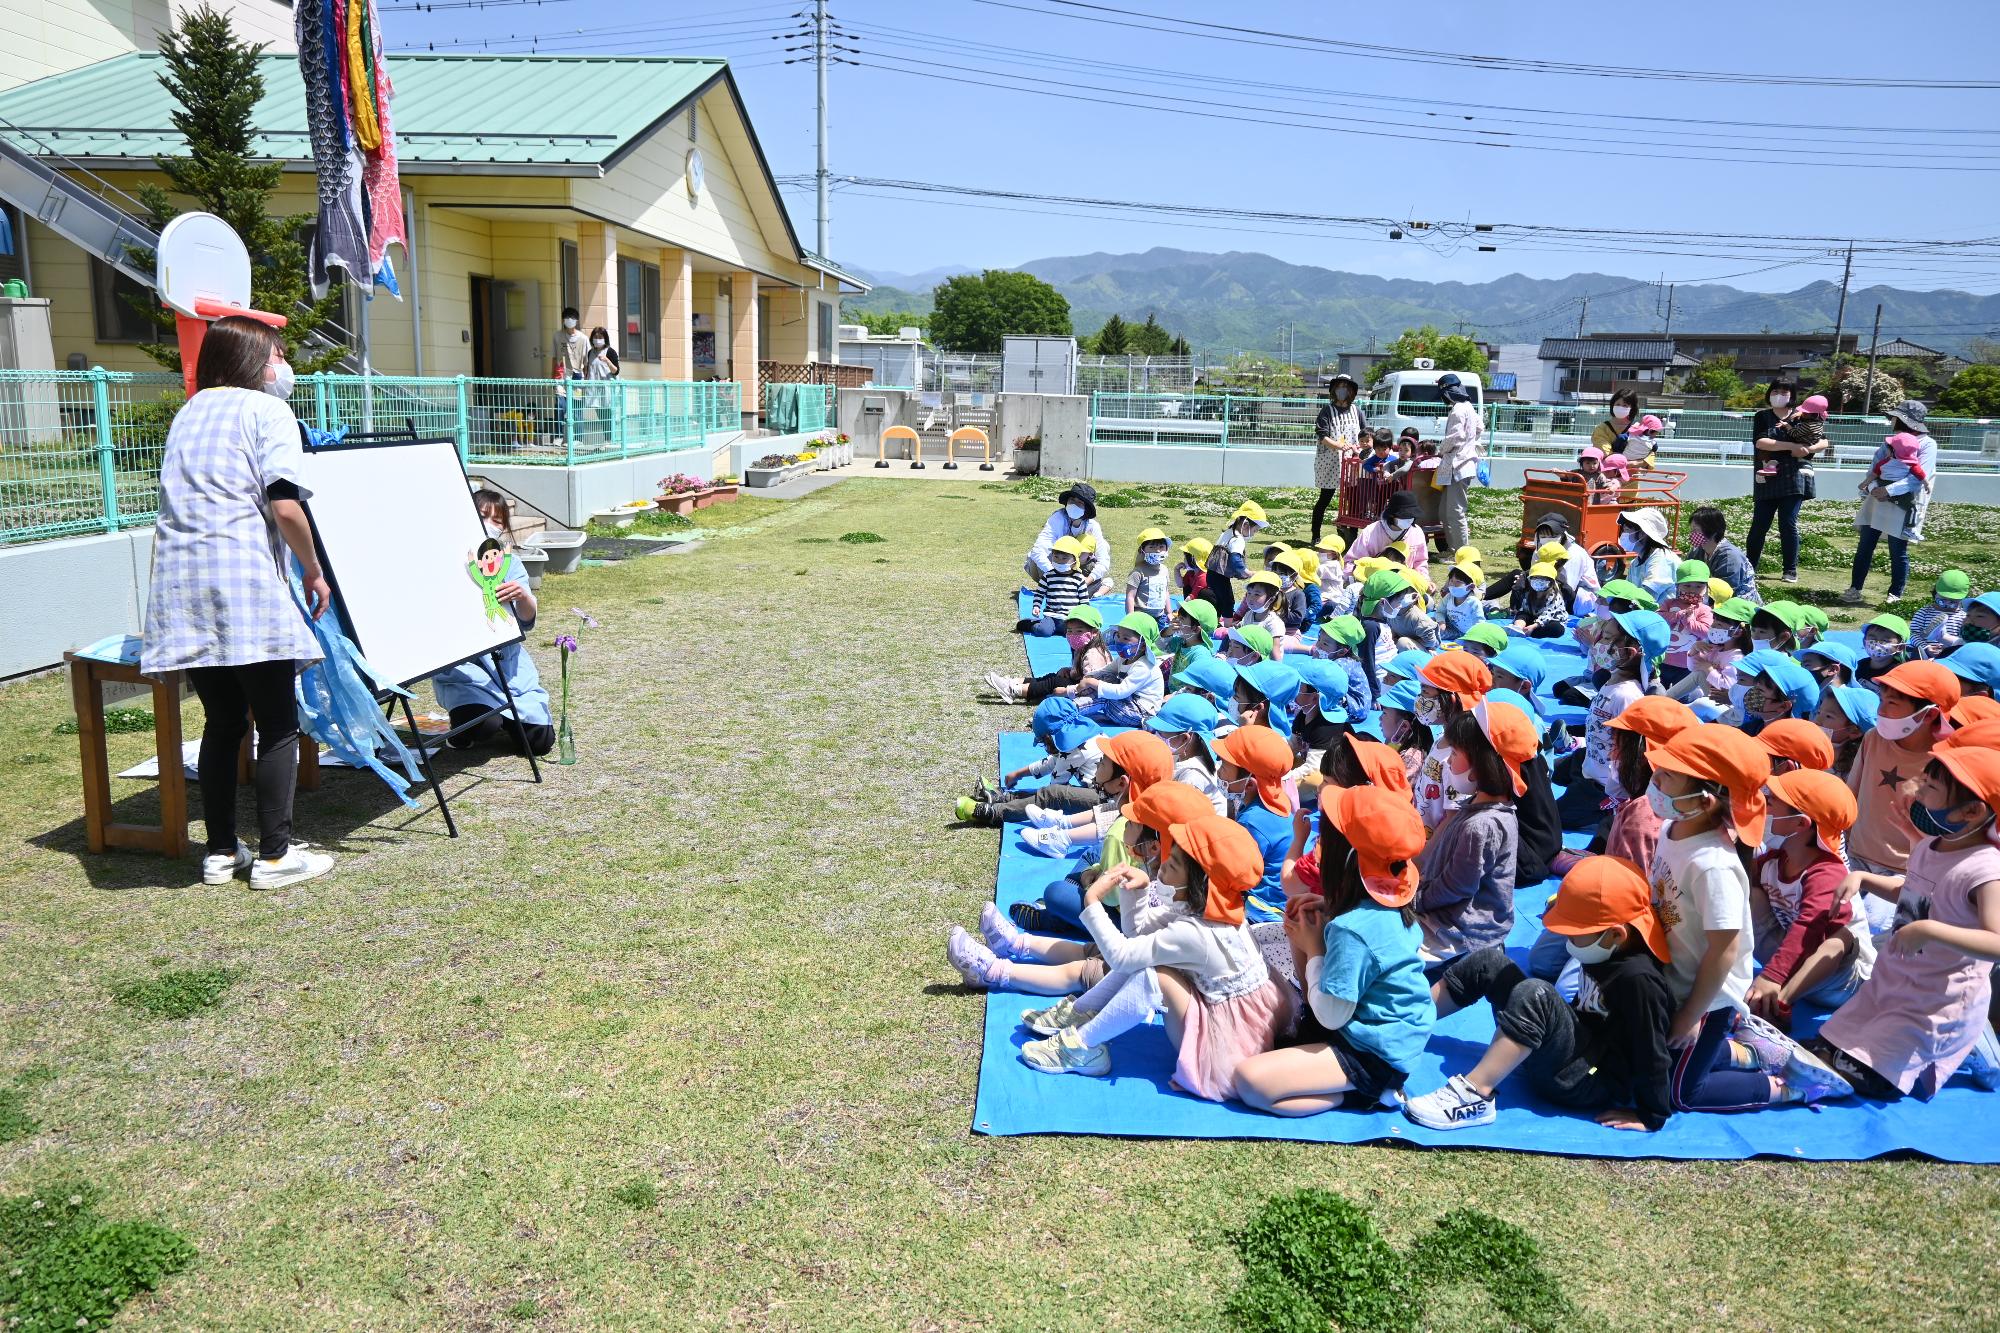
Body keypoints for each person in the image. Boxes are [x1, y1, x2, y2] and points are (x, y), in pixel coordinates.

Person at [141, 317, 335, 891]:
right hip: (244, 581)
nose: (282, 366)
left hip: (182, 586)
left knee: (224, 720)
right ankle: (276, 857)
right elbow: (285, 505)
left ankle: (222, 852)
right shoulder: (268, 412)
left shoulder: (189, 412)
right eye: (277, 353)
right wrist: (314, 569)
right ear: (255, 359)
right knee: (277, 722)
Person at [1645, 725, 1853, 1111]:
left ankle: (1790, 1086)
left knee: (1679, 1094)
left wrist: (1694, 1014)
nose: (1654, 780)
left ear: (1706, 800)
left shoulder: (1713, 865)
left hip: (1708, 997)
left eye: (1667, 775)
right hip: (1675, 984)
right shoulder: (1672, 827)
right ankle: (1749, 1052)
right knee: (1645, 1063)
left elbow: (1726, 950)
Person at [1022, 813, 1294, 1099]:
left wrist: (1091, 902)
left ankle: (1080, 1046)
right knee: (1149, 959)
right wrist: (1137, 891)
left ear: (1200, 883)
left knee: (1154, 975)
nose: (1162, 868)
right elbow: (1138, 936)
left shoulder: (1199, 932)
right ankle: (1081, 1013)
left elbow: (1123, 957)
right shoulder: (1209, 908)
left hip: (1224, 1051)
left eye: (1173, 864)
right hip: (1230, 1021)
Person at [1405, 855, 1677, 1132]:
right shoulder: (1606, 948)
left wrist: (1652, 1114)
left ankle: (1474, 1097)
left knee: (1537, 993)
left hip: (1584, 1079)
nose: (1568, 941)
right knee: (1489, 961)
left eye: (1574, 934)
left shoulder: (1638, 980)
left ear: (1615, 935)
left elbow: (1652, 1050)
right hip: (1572, 1049)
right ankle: (1403, 1024)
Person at [1814, 745, 2000, 1100]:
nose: (1917, 792)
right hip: (1897, 981)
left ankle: (1981, 1051)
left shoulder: (1986, 869)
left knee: (1873, 1077)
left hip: (1938, 997)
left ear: (1972, 811)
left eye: (1929, 788)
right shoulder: (1932, 845)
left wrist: (1929, 929)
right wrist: (1865, 880)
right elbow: (1912, 890)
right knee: (1831, 1042)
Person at [1234, 787, 1435, 1116]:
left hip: (1372, 1052)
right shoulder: (1386, 901)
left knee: (1250, 1081)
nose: (1317, 847)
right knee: (1303, 930)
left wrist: (1314, 947)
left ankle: (1361, 1095)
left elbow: (1331, 1014)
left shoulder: (1352, 929)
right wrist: (1324, 914)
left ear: (1345, 858)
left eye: (1323, 839)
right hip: (1384, 1034)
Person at [430, 491, 555, 757]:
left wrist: (522, 596)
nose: (491, 524)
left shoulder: (510, 563)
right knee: (485, 723)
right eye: (483, 516)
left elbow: (527, 617)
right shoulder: (446, 561)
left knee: (541, 743)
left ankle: (514, 719)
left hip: (510, 671)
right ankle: (466, 729)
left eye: (498, 520)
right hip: (467, 672)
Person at [1745, 769, 1871, 1030]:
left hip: (1840, 982)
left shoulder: (1827, 872)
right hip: (1792, 961)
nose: (1764, 809)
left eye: (1771, 804)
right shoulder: (1774, 862)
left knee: (1841, 938)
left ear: (1800, 824)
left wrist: (1771, 976)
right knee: (1750, 894)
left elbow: (1810, 926)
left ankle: (1779, 1004)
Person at [1845, 661, 1961, 934]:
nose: (1880, 710)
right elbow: (1850, 794)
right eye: (1881, 699)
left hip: (1904, 873)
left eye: (1892, 704)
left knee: (1872, 926)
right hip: (1855, 857)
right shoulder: (1873, 738)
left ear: (1929, 715)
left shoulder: (1948, 761)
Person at [1413, 704, 1529, 976]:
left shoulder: (1482, 826)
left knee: (1384, 952)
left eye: (1454, 753)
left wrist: (1414, 900)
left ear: (1479, 764)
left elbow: (1456, 887)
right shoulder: (1476, 807)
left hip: (1460, 929)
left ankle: (1479, 956)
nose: (1448, 761)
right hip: (1441, 909)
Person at [1842, 401, 1937, 606]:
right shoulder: (1889, 442)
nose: (1892, 420)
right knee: (1865, 546)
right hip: (1876, 501)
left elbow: (1919, 477)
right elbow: (1875, 468)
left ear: (1905, 420)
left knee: (1898, 550)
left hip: (1902, 504)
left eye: (1895, 417)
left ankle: (1895, 593)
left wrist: (1887, 490)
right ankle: (1855, 588)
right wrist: (1874, 488)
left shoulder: (1927, 444)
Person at [1215, 724, 1296, 922]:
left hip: (1266, 910)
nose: (1219, 772)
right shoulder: (1276, 799)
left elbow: (1236, 875)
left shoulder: (1252, 823)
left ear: (1250, 783)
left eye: (1224, 767)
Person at [986, 605, 1109, 705]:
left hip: (1092, 695)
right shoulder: (1082, 646)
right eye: (1070, 631)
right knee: (1052, 677)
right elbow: (1081, 672)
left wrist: (1067, 691)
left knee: (1054, 682)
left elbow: (1091, 686)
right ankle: (1013, 682)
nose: (1072, 635)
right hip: (1081, 684)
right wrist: (1069, 670)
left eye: (1079, 631)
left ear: (1094, 632)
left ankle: (1013, 690)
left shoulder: (1093, 655)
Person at [1075, 613, 1166, 727]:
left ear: (1143, 646)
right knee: (1105, 678)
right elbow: (1103, 672)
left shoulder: (1143, 667)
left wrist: (1091, 683)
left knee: (1105, 697)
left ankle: (1069, 710)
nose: (1119, 641)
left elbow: (1121, 691)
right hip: (1128, 702)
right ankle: (1074, 699)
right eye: (1118, 635)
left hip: (1141, 713)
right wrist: (1088, 678)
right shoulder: (1123, 659)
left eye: (1126, 638)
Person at [1311, 374, 1367, 544]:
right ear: (1334, 390)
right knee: (1325, 498)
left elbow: (1364, 434)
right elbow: (1322, 435)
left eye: (1346, 387)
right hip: (1331, 460)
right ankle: (1315, 535)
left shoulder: (1357, 411)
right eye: (1339, 386)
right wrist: (1337, 446)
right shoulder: (1327, 410)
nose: (1343, 390)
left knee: (1352, 500)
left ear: (1352, 391)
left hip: (1352, 462)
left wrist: (1359, 449)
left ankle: (1351, 536)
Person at [1025, 483, 1111, 588]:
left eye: (1079, 502)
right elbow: (1038, 551)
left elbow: (1103, 560)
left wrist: (1087, 581)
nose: (1074, 504)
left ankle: (1088, 587)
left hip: (1078, 572)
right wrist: (1055, 576)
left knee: (1103, 547)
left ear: (1087, 509)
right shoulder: (1057, 519)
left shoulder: (1093, 527)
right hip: (1052, 568)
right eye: (1072, 500)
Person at [1435, 372, 1483, 551]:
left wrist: (1441, 450)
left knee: (1455, 513)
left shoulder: (1457, 410)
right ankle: (1451, 549)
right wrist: (1471, 444)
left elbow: (1455, 436)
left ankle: (1462, 553)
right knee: (1445, 512)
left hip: (1458, 466)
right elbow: (1480, 427)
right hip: (1461, 465)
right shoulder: (1469, 406)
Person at [1344, 490, 1428, 584]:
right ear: (1391, 515)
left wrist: (1425, 581)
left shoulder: (1417, 532)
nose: (1408, 520)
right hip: (1373, 584)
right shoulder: (1371, 532)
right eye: (1404, 516)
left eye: (1411, 516)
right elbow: (1351, 562)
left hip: (1404, 584)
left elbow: (1420, 563)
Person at [1203, 500, 1267, 620]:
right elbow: (1235, 558)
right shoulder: (1238, 539)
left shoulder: (1228, 532)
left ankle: (1214, 620)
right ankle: (1227, 624)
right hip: (1220, 576)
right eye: (1255, 530)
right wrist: (1245, 572)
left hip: (1211, 574)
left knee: (1217, 598)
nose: (1253, 534)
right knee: (1228, 600)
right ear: (1246, 525)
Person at [1019, 535, 1090, 636]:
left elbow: (1084, 601)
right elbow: (1040, 593)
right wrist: (1036, 606)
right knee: (1043, 631)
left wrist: (1083, 617)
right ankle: (1032, 624)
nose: (1059, 561)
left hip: (1070, 618)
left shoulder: (1078, 578)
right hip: (1051, 616)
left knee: (1075, 634)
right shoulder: (1048, 576)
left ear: (1074, 561)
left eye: (1064, 558)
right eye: (1056, 557)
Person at [1686, 507, 1759, 603]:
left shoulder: (1730, 557)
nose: (1692, 534)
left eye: (1695, 530)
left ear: (1713, 531)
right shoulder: (1697, 551)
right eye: (1691, 530)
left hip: (1737, 605)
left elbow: (1724, 592)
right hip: (1706, 599)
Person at [1814, 683, 1876, 781]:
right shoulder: (1805, 745)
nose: (1817, 720)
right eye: (1818, 712)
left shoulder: (1852, 774)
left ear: (1854, 731)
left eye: (1829, 716)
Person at [1616, 508, 1679, 603]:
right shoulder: (1636, 562)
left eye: (1627, 530)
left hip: (1665, 616)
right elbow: (1628, 591)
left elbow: (1647, 598)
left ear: (1643, 533)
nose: (1624, 535)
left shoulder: (1661, 558)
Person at [1909, 569, 1971, 658]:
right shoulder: (1924, 612)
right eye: (1942, 601)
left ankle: (1941, 636)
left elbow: (1964, 641)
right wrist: (1925, 647)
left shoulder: (1963, 617)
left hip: (1950, 657)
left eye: (1953, 602)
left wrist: (1949, 648)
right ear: (1935, 593)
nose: (1947, 605)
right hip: (1925, 655)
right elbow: (1913, 634)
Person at [1125, 527, 1174, 627]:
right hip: (1141, 617)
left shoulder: (1164, 570)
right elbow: (1130, 596)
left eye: (1161, 547)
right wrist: (1131, 617)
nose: (1157, 551)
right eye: (1151, 547)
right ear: (1142, 550)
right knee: (1141, 642)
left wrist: (1169, 612)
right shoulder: (1138, 572)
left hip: (1160, 617)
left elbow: (1165, 591)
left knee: (1159, 641)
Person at [552, 305, 587, 436]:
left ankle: (578, 437)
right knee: (559, 406)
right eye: (566, 317)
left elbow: (586, 362)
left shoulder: (583, 338)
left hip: (577, 376)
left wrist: (586, 381)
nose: (569, 320)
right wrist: (552, 379)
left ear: (576, 320)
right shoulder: (557, 336)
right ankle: (558, 436)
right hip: (560, 376)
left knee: (577, 408)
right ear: (563, 320)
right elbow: (554, 357)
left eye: (572, 318)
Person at [1511, 562, 1568, 638]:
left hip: (1550, 620)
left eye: (1542, 579)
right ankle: (1517, 628)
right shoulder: (1529, 593)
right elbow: (1525, 609)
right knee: (1522, 614)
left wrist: (1534, 626)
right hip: (1534, 617)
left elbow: (1548, 615)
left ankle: (1532, 632)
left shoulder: (1554, 596)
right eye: (1535, 578)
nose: (1538, 581)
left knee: (1557, 628)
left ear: (1550, 582)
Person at [582, 325, 619, 440]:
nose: (597, 339)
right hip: (594, 389)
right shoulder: (590, 353)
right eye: (595, 337)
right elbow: (589, 369)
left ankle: (611, 439)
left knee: (609, 415)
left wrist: (607, 361)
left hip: (607, 388)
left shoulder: (610, 352)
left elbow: (616, 371)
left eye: (600, 337)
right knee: (601, 415)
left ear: (605, 338)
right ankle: (607, 439)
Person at [1592, 389, 1644, 465]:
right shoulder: (1601, 429)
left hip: (1633, 474)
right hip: (1608, 473)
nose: (1620, 407)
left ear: (1632, 408)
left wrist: (1641, 462)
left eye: (1625, 405)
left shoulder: (1639, 429)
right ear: (1612, 405)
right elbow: (1605, 453)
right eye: (1618, 404)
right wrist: (1631, 463)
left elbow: (1649, 452)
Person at [1179, 537, 1211, 607]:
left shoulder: (1203, 576)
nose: (1184, 559)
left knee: (1204, 593)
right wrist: (1176, 570)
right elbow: (1180, 584)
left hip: (1207, 608)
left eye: (1186, 557)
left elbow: (1192, 597)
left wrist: (1181, 609)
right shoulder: (1191, 572)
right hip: (1196, 601)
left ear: (1193, 559)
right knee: (1186, 586)